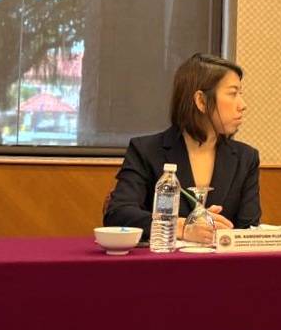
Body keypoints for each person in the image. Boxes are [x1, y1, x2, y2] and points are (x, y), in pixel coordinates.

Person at [104, 53, 261, 242]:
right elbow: (118, 214)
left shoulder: (246, 158)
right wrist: (181, 226)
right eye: (233, 93)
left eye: (240, 94)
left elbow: (248, 227)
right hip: (164, 259)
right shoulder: (146, 150)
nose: (242, 105)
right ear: (201, 101)